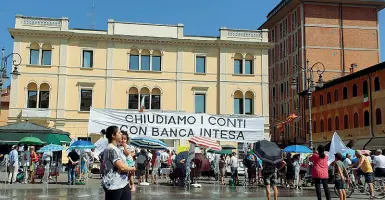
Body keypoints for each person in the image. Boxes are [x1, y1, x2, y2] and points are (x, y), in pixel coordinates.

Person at [102, 125, 136, 200]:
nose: (121, 134)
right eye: (119, 132)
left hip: (123, 183)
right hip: (114, 184)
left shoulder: (117, 148)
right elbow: (121, 167)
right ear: (113, 135)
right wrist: (132, 168)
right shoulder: (111, 149)